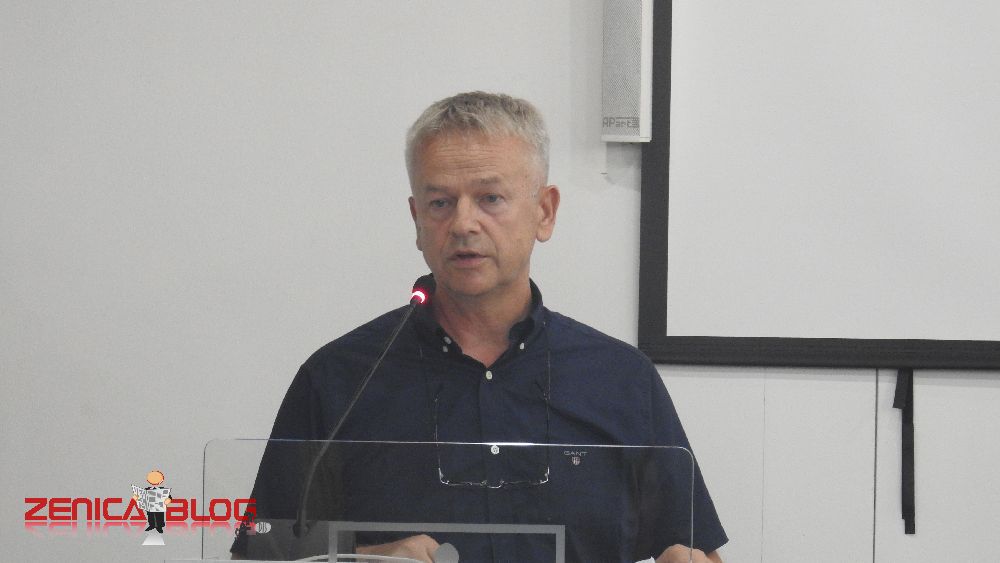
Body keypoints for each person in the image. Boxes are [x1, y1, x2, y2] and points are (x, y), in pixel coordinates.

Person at [235, 92, 727, 562]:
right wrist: (360, 559)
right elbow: (259, 550)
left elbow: (692, 550)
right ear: (416, 219)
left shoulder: (621, 379)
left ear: (545, 212)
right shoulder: (339, 380)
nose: (463, 224)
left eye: (490, 198)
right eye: (440, 203)